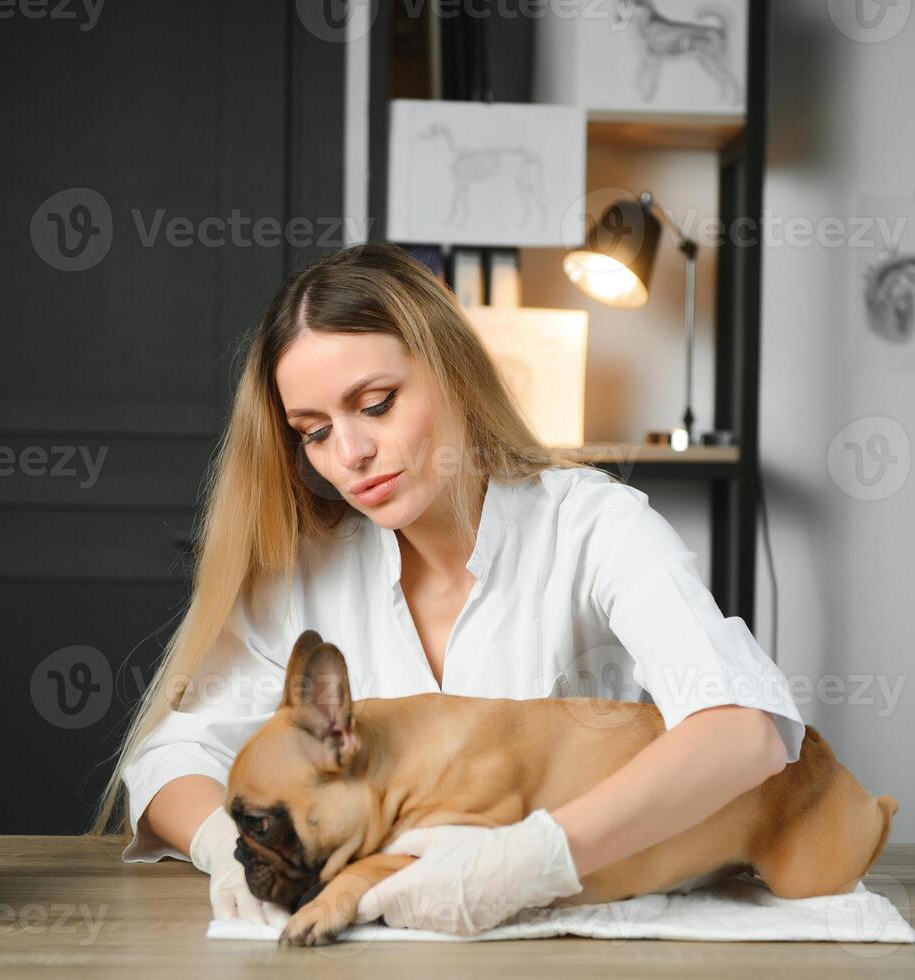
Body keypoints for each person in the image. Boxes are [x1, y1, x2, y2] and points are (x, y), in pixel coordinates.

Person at [88, 242, 805, 936]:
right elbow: (171, 758)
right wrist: (226, 850)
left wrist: (535, 860)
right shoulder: (304, 570)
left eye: (375, 404)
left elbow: (744, 732)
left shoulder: (594, 527)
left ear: (453, 370)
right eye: (312, 432)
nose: (350, 454)